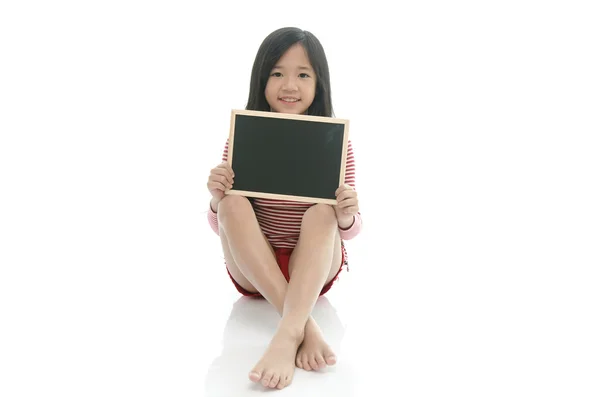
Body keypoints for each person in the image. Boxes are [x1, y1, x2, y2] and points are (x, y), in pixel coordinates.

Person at [205, 27, 363, 390]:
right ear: (261, 80)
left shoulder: (334, 142)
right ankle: (302, 326)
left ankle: (286, 333)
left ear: (318, 84)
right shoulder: (243, 136)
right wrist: (217, 199)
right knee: (232, 203)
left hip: (314, 266)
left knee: (323, 212)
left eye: (303, 74)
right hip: (254, 267)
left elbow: (347, 230)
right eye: (277, 73)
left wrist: (346, 215)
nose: (289, 85)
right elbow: (224, 223)